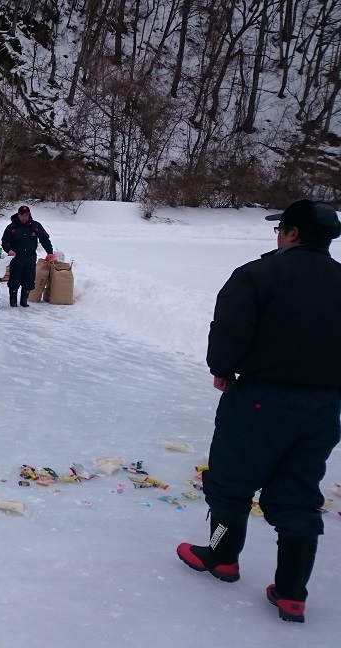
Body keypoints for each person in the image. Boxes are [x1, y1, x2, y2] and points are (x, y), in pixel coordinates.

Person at [176, 199, 341, 624]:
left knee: (231, 483)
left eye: (280, 230)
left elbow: (230, 326)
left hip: (259, 400)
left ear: (292, 233)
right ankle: (291, 593)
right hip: (323, 407)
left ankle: (222, 557)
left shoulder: (259, 274)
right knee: (299, 494)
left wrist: (222, 369)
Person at [0, 205, 53, 307]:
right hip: (16, 257)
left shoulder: (35, 226)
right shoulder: (11, 227)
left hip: (30, 257)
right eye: (22, 215)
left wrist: (49, 251)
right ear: (18, 215)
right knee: (14, 280)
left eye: (26, 215)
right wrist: (9, 250)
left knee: (29, 280)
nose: (24, 217)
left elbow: (45, 239)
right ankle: (13, 302)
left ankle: (24, 301)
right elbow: (5, 241)